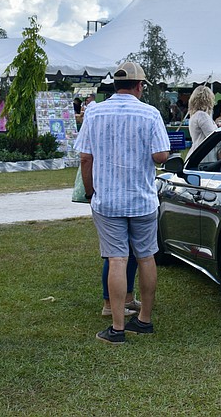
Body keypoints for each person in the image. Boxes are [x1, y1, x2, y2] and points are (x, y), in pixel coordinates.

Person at [75, 61, 170, 344]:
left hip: (108, 200)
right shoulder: (150, 113)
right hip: (141, 199)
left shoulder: (94, 112)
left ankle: (116, 328)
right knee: (146, 256)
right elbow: (161, 155)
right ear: (140, 86)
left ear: (114, 86)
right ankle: (144, 320)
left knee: (116, 258)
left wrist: (91, 192)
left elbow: (85, 157)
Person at [188, 85, 221, 162]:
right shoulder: (202, 115)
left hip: (198, 153)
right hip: (205, 157)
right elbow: (213, 138)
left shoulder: (195, 115)